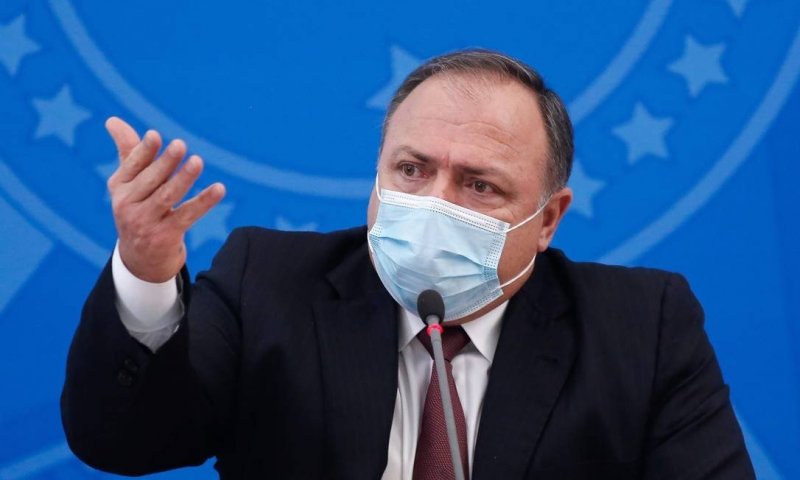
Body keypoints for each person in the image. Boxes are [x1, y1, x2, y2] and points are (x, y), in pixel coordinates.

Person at [61, 49, 755, 479]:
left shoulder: (642, 328)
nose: (433, 204)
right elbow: (123, 444)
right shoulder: (267, 280)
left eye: (479, 185)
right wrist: (147, 271)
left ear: (548, 220)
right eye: (412, 170)